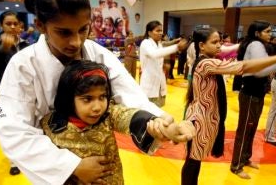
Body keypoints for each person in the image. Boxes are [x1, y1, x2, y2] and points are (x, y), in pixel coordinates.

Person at [0, 0, 192, 184]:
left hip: (104, 170)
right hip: (57, 171)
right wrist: (71, 166)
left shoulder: (98, 54)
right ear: (40, 26)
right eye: (64, 32)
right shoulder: (23, 66)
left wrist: (160, 123)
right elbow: (14, 130)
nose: (77, 42)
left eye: (83, 29)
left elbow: (131, 97)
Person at [41, 60, 196, 184]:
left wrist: (161, 126)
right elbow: (45, 161)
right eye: (87, 99)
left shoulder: (108, 114)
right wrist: (73, 168)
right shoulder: (51, 125)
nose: (97, 107)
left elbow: (130, 116)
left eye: (102, 97)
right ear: (69, 99)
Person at [181, 27, 276, 185]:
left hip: (208, 118)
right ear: (202, 45)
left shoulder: (209, 59)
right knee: (193, 162)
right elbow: (244, 67)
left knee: (195, 161)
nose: (219, 46)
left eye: (220, 42)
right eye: (215, 42)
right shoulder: (206, 63)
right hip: (200, 120)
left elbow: (231, 51)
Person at [230, 20, 276, 179]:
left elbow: (265, 69)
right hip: (250, 94)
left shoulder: (259, 45)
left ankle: (245, 158)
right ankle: (236, 166)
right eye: (267, 31)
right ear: (257, 33)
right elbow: (260, 72)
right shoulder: (255, 45)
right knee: (245, 130)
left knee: (251, 129)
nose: (270, 34)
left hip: (256, 93)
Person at [0, 10, 30, 176]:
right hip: (6, 93)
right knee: (10, 125)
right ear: (1, 26)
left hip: (27, 91)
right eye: (8, 23)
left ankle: (27, 154)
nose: (12, 27)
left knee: (27, 123)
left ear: (20, 25)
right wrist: (2, 49)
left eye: (15, 23)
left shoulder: (26, 45)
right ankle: (14, 160)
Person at [139, 20, 188, 107]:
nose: (161, 33)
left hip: (159, 83)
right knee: (150, 114)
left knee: (159, 112)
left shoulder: (159, 44)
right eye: (157, 31)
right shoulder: (145, 43)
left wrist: (164, 66)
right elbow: (155, 54)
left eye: (161, 30)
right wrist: (176, 47)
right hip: (149, 84)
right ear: (149, 32)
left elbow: (159, 56)